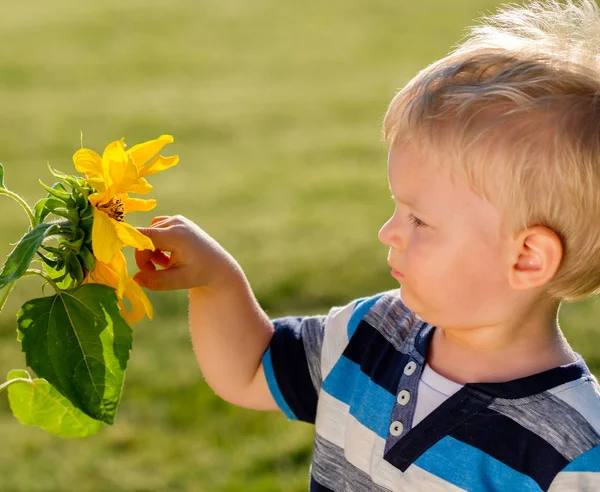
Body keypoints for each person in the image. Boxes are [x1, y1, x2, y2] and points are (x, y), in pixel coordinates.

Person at [132, 0, 600, 490]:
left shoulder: (570, 454)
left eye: (420, 219)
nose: (388, 231)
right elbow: (250, 370)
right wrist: (216, 281)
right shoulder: (372, 332)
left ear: (526, 258)